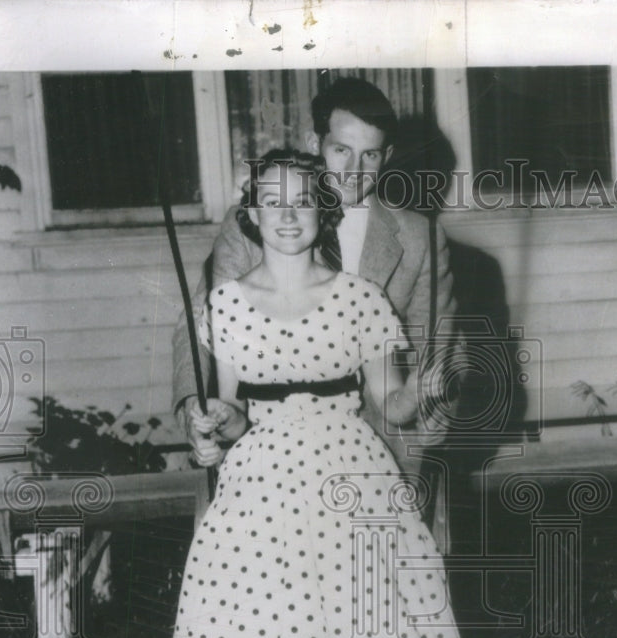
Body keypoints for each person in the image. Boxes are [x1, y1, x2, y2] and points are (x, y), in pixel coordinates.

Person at [165, 150, 475, 638]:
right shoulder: (225, 303)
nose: (289, 213)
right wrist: (209, 431)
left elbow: (390, 406)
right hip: (263, 498)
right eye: (272, 200)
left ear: (323, 212)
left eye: (304, 200)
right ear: (251, 213)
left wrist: (425, 389)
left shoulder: (360, 299)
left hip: (353, 487)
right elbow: (229, 413)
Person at [172, 77, 459, 517]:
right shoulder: (258, 220)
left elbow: (437, 346)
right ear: (315, 142)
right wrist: (197, 409)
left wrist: (436, 405)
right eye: (341, 150)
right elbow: (202, 328)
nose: (353, 171)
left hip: (381, 465)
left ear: (386, 157)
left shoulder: (420, 236)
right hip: (267, 469)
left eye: (369, 155)